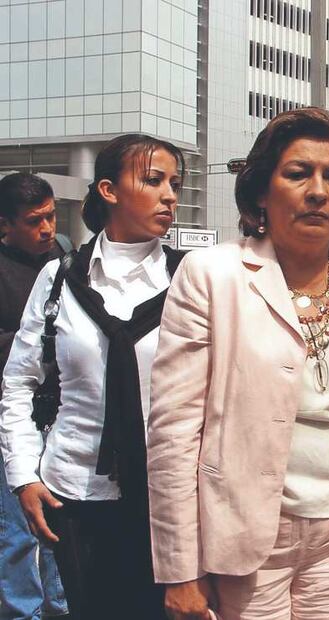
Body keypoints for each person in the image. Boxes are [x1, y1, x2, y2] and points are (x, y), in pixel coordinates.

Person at [146, 107, 329, 620]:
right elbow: (173, 435)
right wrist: (180, 568)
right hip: (245, 535)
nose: (317, 191)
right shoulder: (211, 276)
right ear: (261, 192)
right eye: (298, 173)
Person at [0, 134, 187, 619]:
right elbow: (19, 381)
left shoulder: (190, 279)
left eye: (175, 183)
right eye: (153, 180)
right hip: (75, 493)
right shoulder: (60, 278)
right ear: (108, 190)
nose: (169, 195)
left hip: (169, 496)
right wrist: (23, 476)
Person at [0, 172, 69, 619]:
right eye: (33, 221)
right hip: (12, 416)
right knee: (16, 530)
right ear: (5, 225)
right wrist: (39, 339)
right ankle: (21, 612)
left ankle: (61, 605)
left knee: (58, 520)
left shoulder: (62, 259)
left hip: (59, 413)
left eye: (51, 216)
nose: (46, 228)